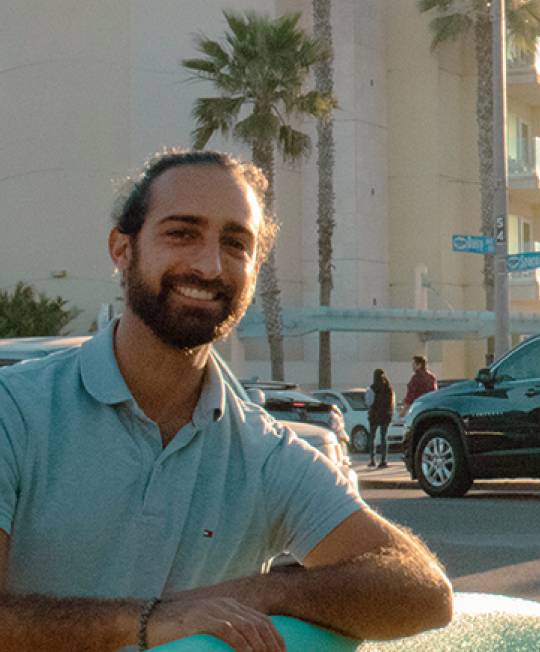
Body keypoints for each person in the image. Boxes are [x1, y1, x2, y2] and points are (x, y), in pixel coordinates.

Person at [0, 150, 452, 651]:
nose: (209, 265)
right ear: (122, 249)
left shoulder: (264, 453)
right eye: (181, 232)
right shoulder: (14, 412)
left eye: (236, 243)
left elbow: (423, 590)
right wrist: (150, 620)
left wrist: (258, 592)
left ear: (255, 268)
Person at [366, 369, 394, 469]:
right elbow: (391, 403)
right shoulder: (388, 387)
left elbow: (369, 402)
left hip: (374, 415)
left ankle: (372, 460)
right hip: (385, 415)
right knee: (383, 438)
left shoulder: (372, 388)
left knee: (372, 438)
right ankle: (383, 460)